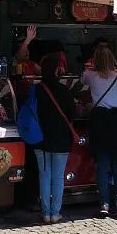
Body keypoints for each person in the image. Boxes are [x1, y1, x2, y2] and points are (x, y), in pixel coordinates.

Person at [82, 45, 117, 218]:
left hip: (100, 120)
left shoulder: (90, 75)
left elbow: (81, 81)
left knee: (102, 164)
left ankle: (105, 203)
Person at [33, 52, 76, 224]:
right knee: (58, 176)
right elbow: (72, 114)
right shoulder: (65, 91)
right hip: (61, 139)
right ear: (58, 70)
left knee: (44, 175)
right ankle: (55, 213)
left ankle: (45, 212)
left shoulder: (36, 90)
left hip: (40, 138)